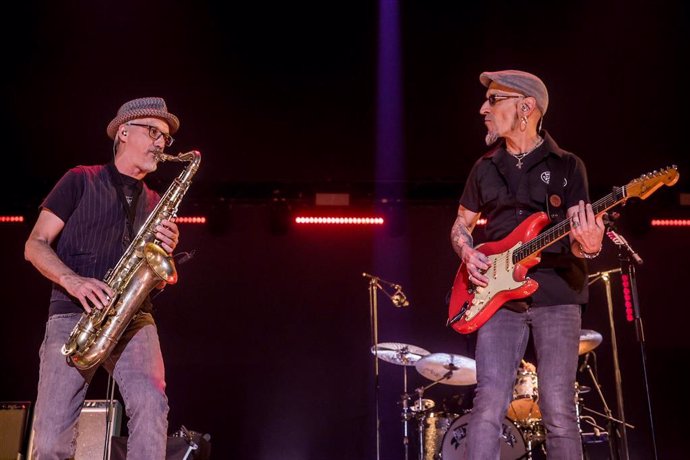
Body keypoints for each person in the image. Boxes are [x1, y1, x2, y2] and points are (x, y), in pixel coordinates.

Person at [450, 70, 605, 459]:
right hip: (499, 299)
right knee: (487, 405)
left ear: (525, 106)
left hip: (557, 293)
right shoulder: (484, 166)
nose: (483, 108)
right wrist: (466, 252)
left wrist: (589, 246)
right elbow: (461, 224)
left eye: (493, 100)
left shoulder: (568, 166)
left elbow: (578, 237)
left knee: (558, 409)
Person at [24, 97, 182, 459]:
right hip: (72, 313)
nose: (161, 143)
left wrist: (166, 253)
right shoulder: (80, 179)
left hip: (133, 316)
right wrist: (73, 280)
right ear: (123, 132)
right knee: (50, 440)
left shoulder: (157, 201)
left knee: (152, 407)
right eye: (154, 132)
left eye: (166, 138)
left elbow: (157, 279)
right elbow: (35, 244)